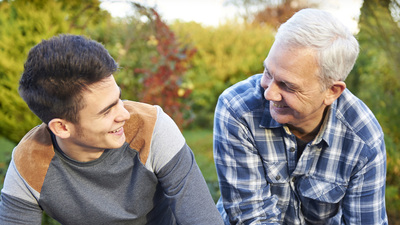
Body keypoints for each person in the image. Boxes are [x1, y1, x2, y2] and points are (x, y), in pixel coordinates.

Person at [0, 34, 224, 225]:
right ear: (62, 127)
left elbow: (203, 219)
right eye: (106, 111)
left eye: (119, 98)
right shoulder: (30, 161)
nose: (124, 114)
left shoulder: (153, 128)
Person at [213, 8, 387, 224]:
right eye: (268, 72)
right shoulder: (238, 110)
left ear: (331, 91)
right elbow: (251, 217)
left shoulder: (364, 140)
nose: (269, 93)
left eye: (287, 85)